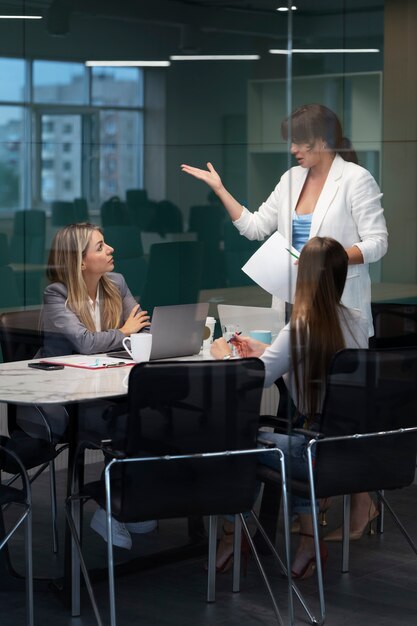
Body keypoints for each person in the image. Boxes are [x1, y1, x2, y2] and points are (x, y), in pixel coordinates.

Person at [210, 237, 375, 579]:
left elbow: (258, 378)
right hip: (354, 451)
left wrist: (222, 354)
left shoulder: (300, 326)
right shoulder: (358, 320)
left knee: (246, 442)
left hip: (314, 455)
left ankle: (231, 536)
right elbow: (299, 356)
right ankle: (308, 542)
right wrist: (265, 348)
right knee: (296, 435)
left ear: (304, 276)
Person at [181, 103, 388, 337]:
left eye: (299, 142)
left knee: (333, 372)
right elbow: (254, 227)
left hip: (336, 304)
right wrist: (220, 190)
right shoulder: (291, 178)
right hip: (291, 305)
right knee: (290, 372)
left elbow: (378, 243)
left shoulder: (356, 179)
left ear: (322, 140)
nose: (292, 149)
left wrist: (331, 257)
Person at [39, 223, 154, 549]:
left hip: (109, 387)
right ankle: (110, 509)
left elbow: (141, 329)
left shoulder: (115, 282)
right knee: (125, 424)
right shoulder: (57, 294)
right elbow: (86, 343)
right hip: (68, 400)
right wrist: (124, 331)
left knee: (152, 416)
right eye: (101, 246)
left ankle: (126, 502)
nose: (111, 250)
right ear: (80, 262)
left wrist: (129, 331)